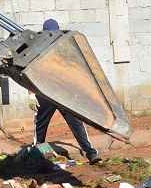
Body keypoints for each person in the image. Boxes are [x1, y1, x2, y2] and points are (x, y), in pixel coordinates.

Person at [34, 18, 101, 164]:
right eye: (50, 33)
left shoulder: (65, 47)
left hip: (63, 93)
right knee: (40, 125)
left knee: (76, 123)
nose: (52, 36)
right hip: (45, 93)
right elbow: (30, 72)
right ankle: (37, 153)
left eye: (54, 33)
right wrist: (31, 94)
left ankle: (90, 153)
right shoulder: (38, 49)